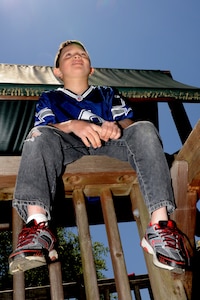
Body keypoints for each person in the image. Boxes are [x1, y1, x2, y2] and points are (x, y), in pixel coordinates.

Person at [9, 40, 189, 274]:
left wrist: (116, 127)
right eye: (69, 55)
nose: (77, 57)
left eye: (82, 54)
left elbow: (127, 121)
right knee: (38, 136)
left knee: (144, 128)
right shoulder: (50, 97)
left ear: (91, 68)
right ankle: (37, 226)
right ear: (58, 72)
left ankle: (160, 226)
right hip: (68, 144)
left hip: (110, 143)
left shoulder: (106, 93)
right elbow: (46, 127)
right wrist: (74, 124)